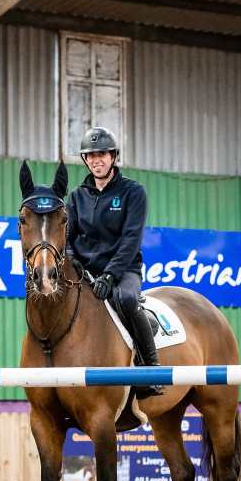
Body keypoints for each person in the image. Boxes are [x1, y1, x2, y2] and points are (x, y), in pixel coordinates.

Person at [65, 127, 161, 398]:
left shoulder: (133, 192)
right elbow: (68, 238)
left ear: (113, 156)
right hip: (85, 272)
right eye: (91, 155)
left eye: (102, 154)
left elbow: (131, 240)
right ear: (85, 160)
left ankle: (151, 370)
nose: (97, 160)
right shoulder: (76, 196)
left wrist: (109, 275)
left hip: (123, 271)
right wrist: (73, 261)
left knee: (128, 300)